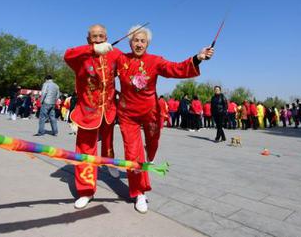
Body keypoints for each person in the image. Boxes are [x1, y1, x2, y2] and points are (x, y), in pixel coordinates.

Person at [116, 25, 213, 213]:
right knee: (133, 153)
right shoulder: (121, 59)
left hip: (150, 112)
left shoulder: (155, 61)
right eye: (135, 40)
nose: (139, 44)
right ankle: (140, 192)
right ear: (129, 42)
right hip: (128, 115)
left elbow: (174, 69)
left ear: (147, 43)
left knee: (152, 144)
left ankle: (150, 157)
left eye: (143, 41)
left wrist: (197, 58)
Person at [63, 24, 122, 209]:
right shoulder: (80, 56)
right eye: (94, 37)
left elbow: (130, 67)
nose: (98, 39)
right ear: (88, 39)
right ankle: (86, 191)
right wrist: (93, 50)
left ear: (107, 37)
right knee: (85, 151)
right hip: (88, 112)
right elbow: (67, 54)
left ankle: (109, 162)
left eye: (101, 36)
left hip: (109, 109)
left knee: (109, 141)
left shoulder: (114, 53)